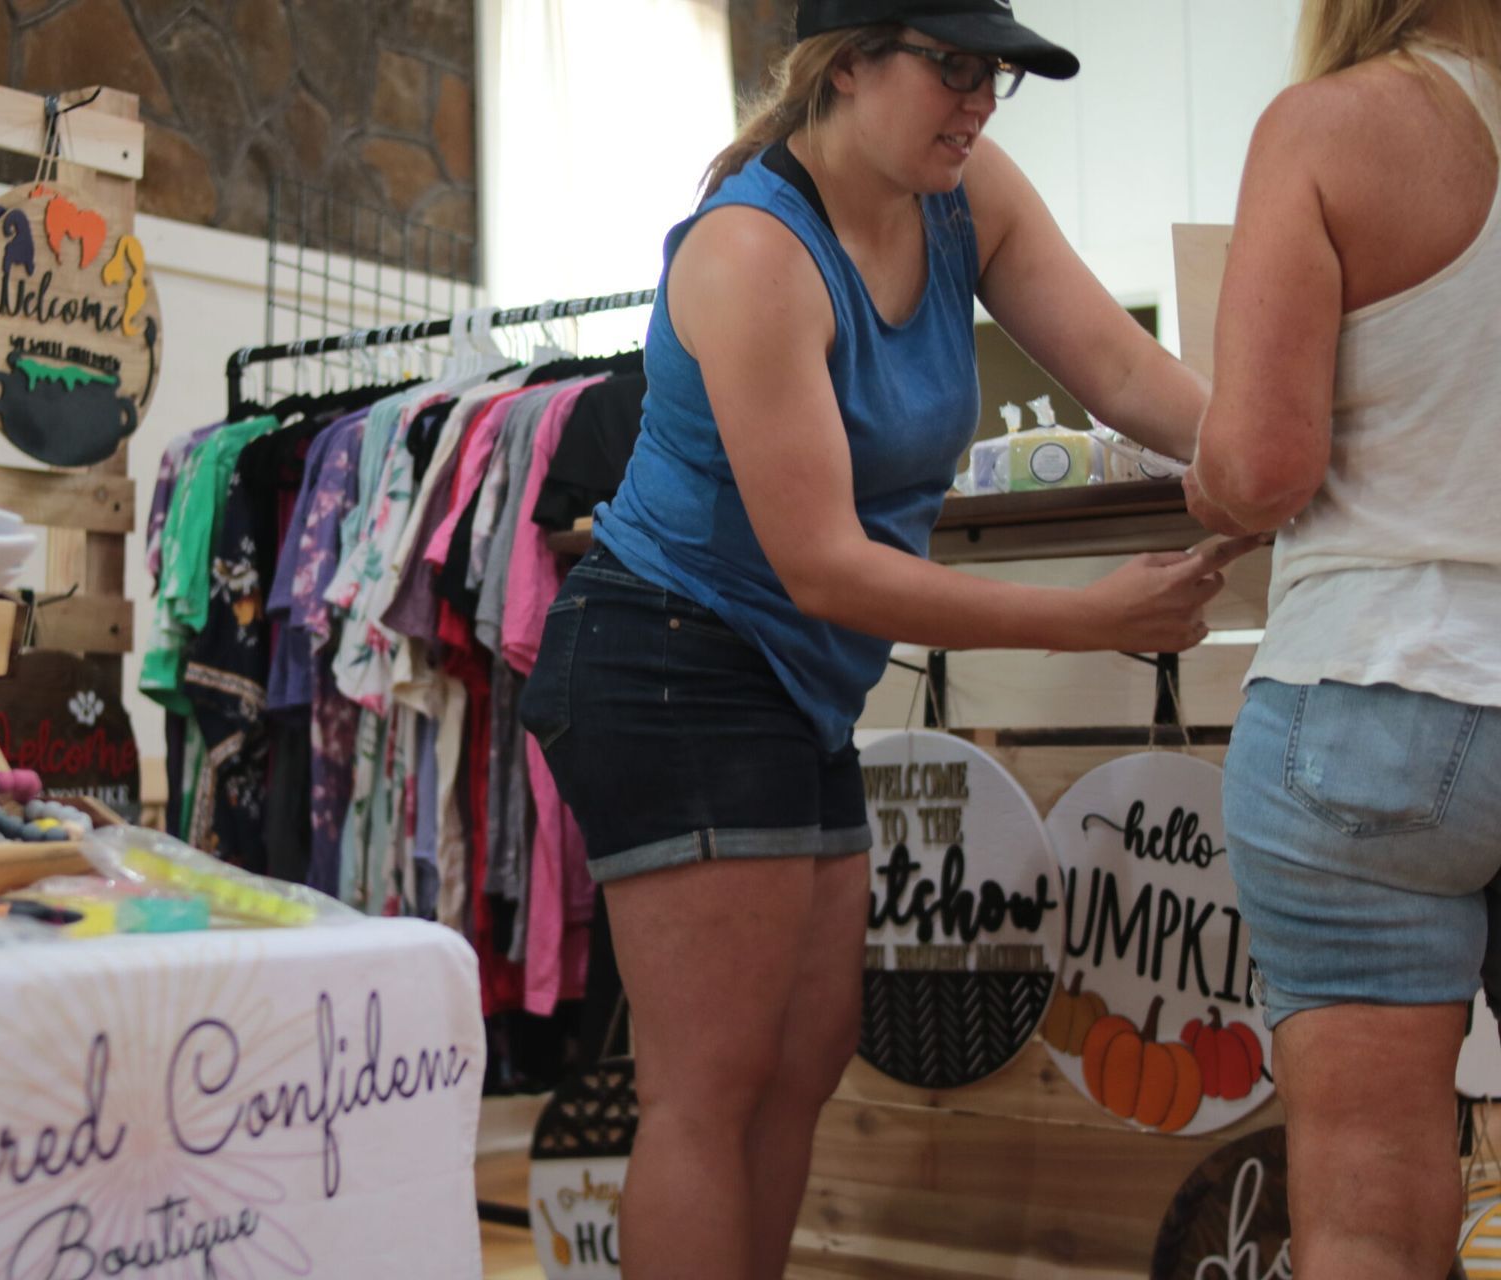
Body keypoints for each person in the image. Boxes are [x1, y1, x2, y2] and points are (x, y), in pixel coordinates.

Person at [518, 1, 1260, 1276]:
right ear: (847, 60)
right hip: (669, 659)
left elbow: (1125, 376)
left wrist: (1280, 455)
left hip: (783, 677)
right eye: (955, 69)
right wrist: (1090, 614)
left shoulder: (968, 193)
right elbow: (825, 564)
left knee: (802, 1063)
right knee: (710, 1085)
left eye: (997, 78)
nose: (980, 103)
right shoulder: (751, 251)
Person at [1188, 0, 1501, 1273]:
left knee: (1370, 1204)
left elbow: (1263, 464)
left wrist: (1210, 480)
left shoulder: (1332, 130)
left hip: (1370, 692)